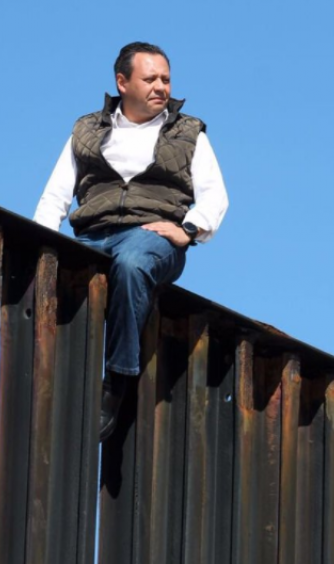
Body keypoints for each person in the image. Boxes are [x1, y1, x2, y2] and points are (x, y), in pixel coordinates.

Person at [33, 42, 228, 442]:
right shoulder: (87, 129)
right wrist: (41, 246)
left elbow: (215, 196)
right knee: (51, 274)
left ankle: (118, 379)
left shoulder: (189, 132)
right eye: (150, 78)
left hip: (151, 238)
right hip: (92, 235)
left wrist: (188, 231)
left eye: (166, 79)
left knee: (132, 264)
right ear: (122, 82)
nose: (161, 87)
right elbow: (54, 196)